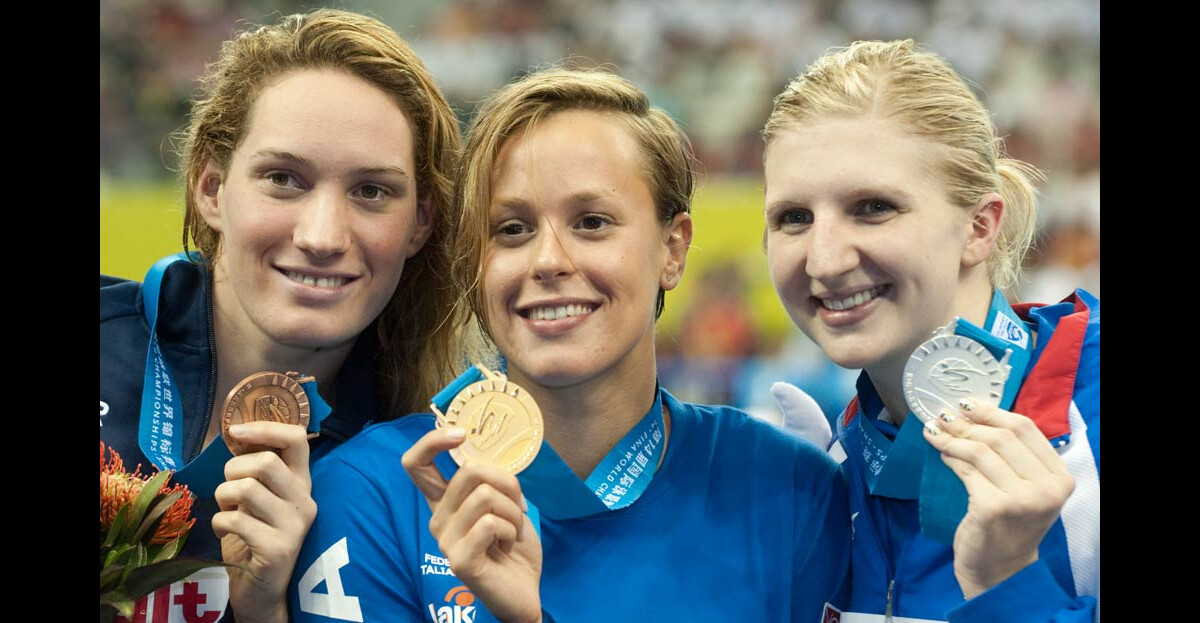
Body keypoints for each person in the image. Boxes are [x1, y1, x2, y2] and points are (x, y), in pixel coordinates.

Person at [289, 67, 850, 623]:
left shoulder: (792, 489)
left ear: (673, 249)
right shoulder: (376, 491)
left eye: (592, 222)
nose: (549, 261)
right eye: (512, 229)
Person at [99, 9, 464, 622]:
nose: (322, 236)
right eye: (284, 179)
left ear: (420, 223)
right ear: (211, 189)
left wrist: (262, 610)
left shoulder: (415, 477)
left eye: (372, 191)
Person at [761, 40, 1099, 622]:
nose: (823, 259)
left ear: (979, 227)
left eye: (872, 207)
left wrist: (1007, 582)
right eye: (794, 218)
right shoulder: (840, 465)